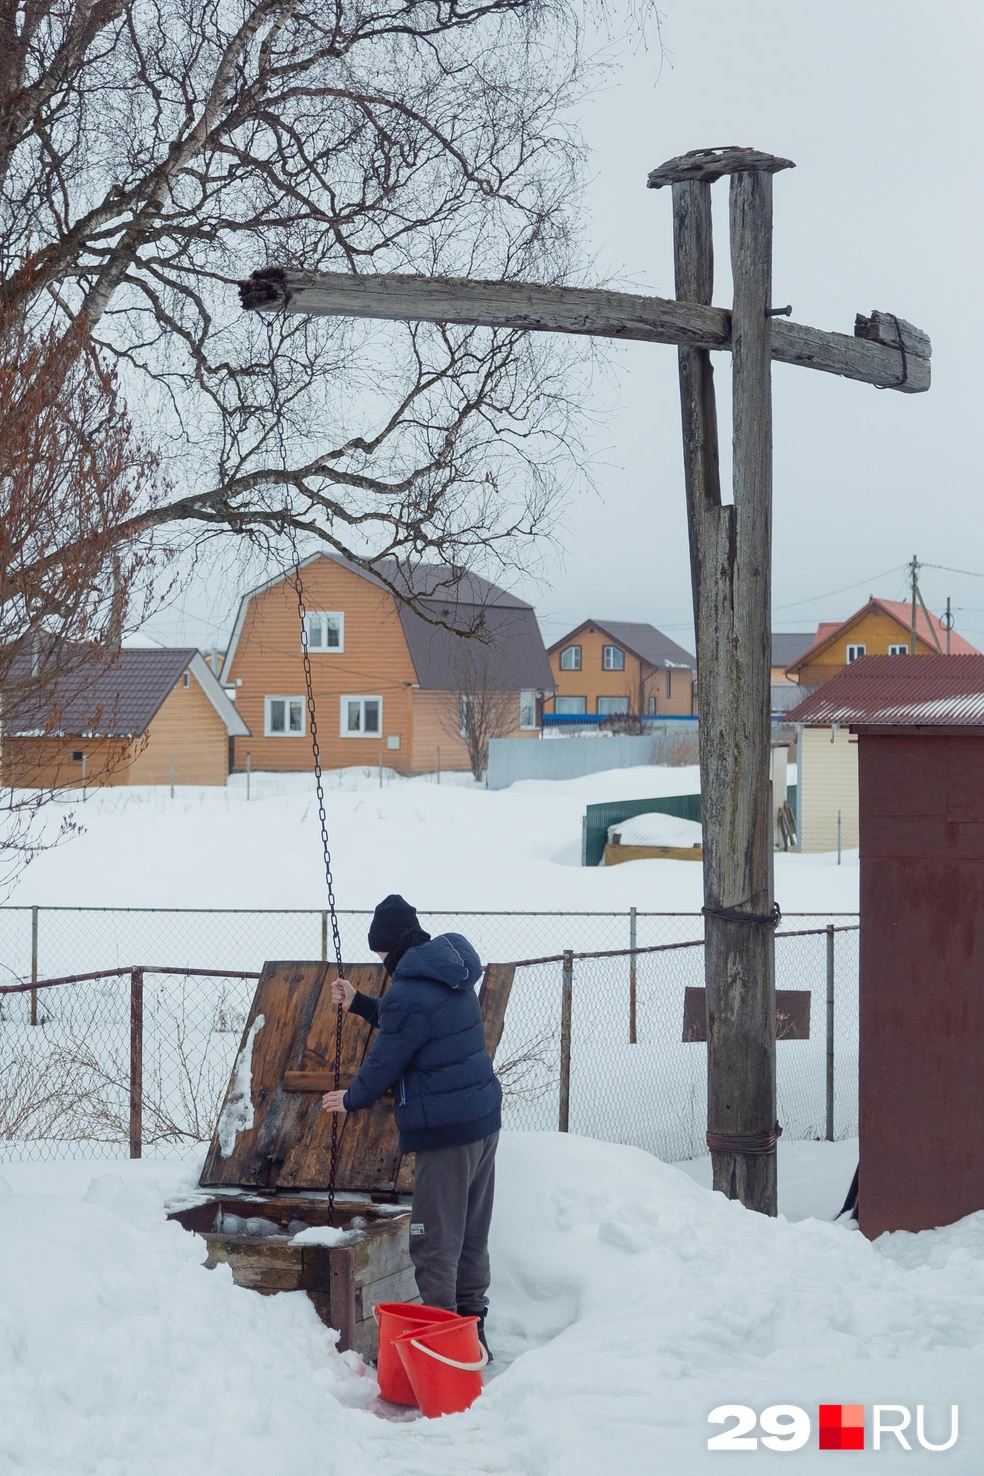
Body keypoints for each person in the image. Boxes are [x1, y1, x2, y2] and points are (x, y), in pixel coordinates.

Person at [321, 894, 501, 1357]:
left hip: (446, 1133)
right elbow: (411, 1019)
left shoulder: (411, 989)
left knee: (434, 1244)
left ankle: (445, 1347)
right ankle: (471, 1328)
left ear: (394, 946)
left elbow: (387, 1057)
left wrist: (352, 1097)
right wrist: (361, 1003)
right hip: (482, 1122)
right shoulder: (446, 973)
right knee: (469, 1236)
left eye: (380, 954)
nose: (381, 962)